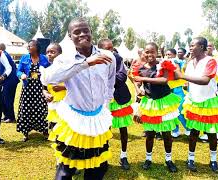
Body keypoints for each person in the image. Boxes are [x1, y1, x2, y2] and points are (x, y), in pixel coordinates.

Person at [41, 18, 115, 180]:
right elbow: (48, 79)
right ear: (69, 36)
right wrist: (85, 63)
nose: (82, 34)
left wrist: (106, 107)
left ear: (91, 32)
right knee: (66, 170)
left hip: (98, 121)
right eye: (76, 32)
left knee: (97, 168)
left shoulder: (108, 56)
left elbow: (110, 82)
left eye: (85, 30)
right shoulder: (64, 59)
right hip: (74, 121)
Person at [175, 37, 218, 173]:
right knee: (193, 132)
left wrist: (181, 76)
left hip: (209, 102)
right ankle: (190, 158)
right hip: (194, 102)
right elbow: (187, 81)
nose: (190, 48)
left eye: (193, 45)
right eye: (190, 46)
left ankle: (213, 160)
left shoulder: (210, 61)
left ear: (202, 47)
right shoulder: (190, 62)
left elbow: (204, 80)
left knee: (211, 133)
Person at [130, 42, 180, 173]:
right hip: (150, 103)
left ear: (157, 52)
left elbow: (164, 80)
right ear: (143, 53)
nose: (149, 54)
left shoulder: (162, 65)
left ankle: (168, 160)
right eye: (147, 51)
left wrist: (143, 78)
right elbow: (135, 80)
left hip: (164, 103)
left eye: (152, 51)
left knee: (166, 134)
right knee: (150, 134)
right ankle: (148, 159)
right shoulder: (140, 68)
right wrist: (138, 88)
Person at [98, 38, 133, 170]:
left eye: (112, 48)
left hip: (119, 98)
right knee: (104, 131)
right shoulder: (95, 59)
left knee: (123, 129)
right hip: (102, 100)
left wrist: (104, 79)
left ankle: (123, 156)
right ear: (100, 49)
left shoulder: (118, 58)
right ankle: (103, 158)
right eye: (107, 49)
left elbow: (122, 77)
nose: (111, 51)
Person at [16, 40, 51, 142]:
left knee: (42, 108)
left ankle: (45, 131)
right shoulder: (24, 58)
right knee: (26, 109)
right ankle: (25, 132)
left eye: (30, 46)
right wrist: (21, 75)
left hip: (40, 88)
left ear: (36, 47)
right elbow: (18, 70)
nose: (28, 47)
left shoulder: (44, 58)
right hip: (28, 88)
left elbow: (50, 71)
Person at [43, 43, 66, 130]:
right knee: (54, 128)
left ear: (60, 54)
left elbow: (77, 86)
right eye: (47, 52)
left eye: (52, 52)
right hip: (53, 104)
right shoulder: (46, 71)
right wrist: (46, 94)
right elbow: (44, 88)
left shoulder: (66, 69)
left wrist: (62, 88)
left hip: (66, 104)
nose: (49, 54)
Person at [169, 48, 191, 137]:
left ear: (174, 55)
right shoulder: (166, 64)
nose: (168, 56)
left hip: (178, 90)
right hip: (169, 91)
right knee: (172, 112)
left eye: (169, 54)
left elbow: (179, 76)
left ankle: (188, 129)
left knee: (180, 110)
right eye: (166, 55)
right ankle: (175, 130)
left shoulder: (178, 63)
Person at [0, 43, 20, 123]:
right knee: (3, 98)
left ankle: (11, 117)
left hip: (10, 80)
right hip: (7, 80)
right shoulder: (2, 55)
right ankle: (6, 115)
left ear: (0, 49)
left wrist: (3, 76)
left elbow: (8, 69)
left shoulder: (4, 55)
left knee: (8, 99)